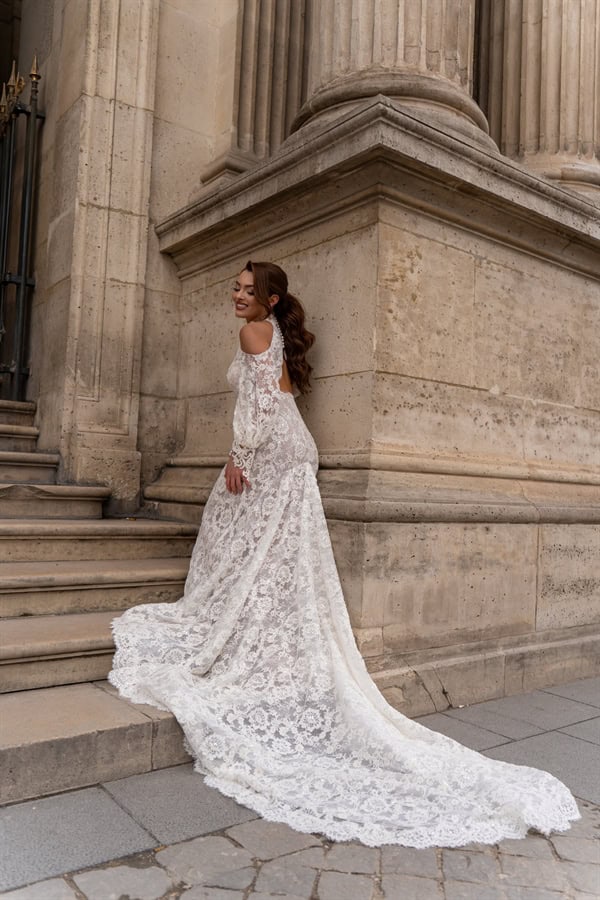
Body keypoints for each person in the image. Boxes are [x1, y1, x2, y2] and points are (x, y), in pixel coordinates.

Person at [109, 260, 579, 848]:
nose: (236, 295)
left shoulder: (253, 331)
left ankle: (231, 627)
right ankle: (247, 624)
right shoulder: (272, 332)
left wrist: (239, 457)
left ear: (271, 301)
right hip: (294, 449)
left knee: (242, 537)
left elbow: (259, 403)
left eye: (248, 290)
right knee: (268, 550)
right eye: (236, 287)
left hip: (272, 449)